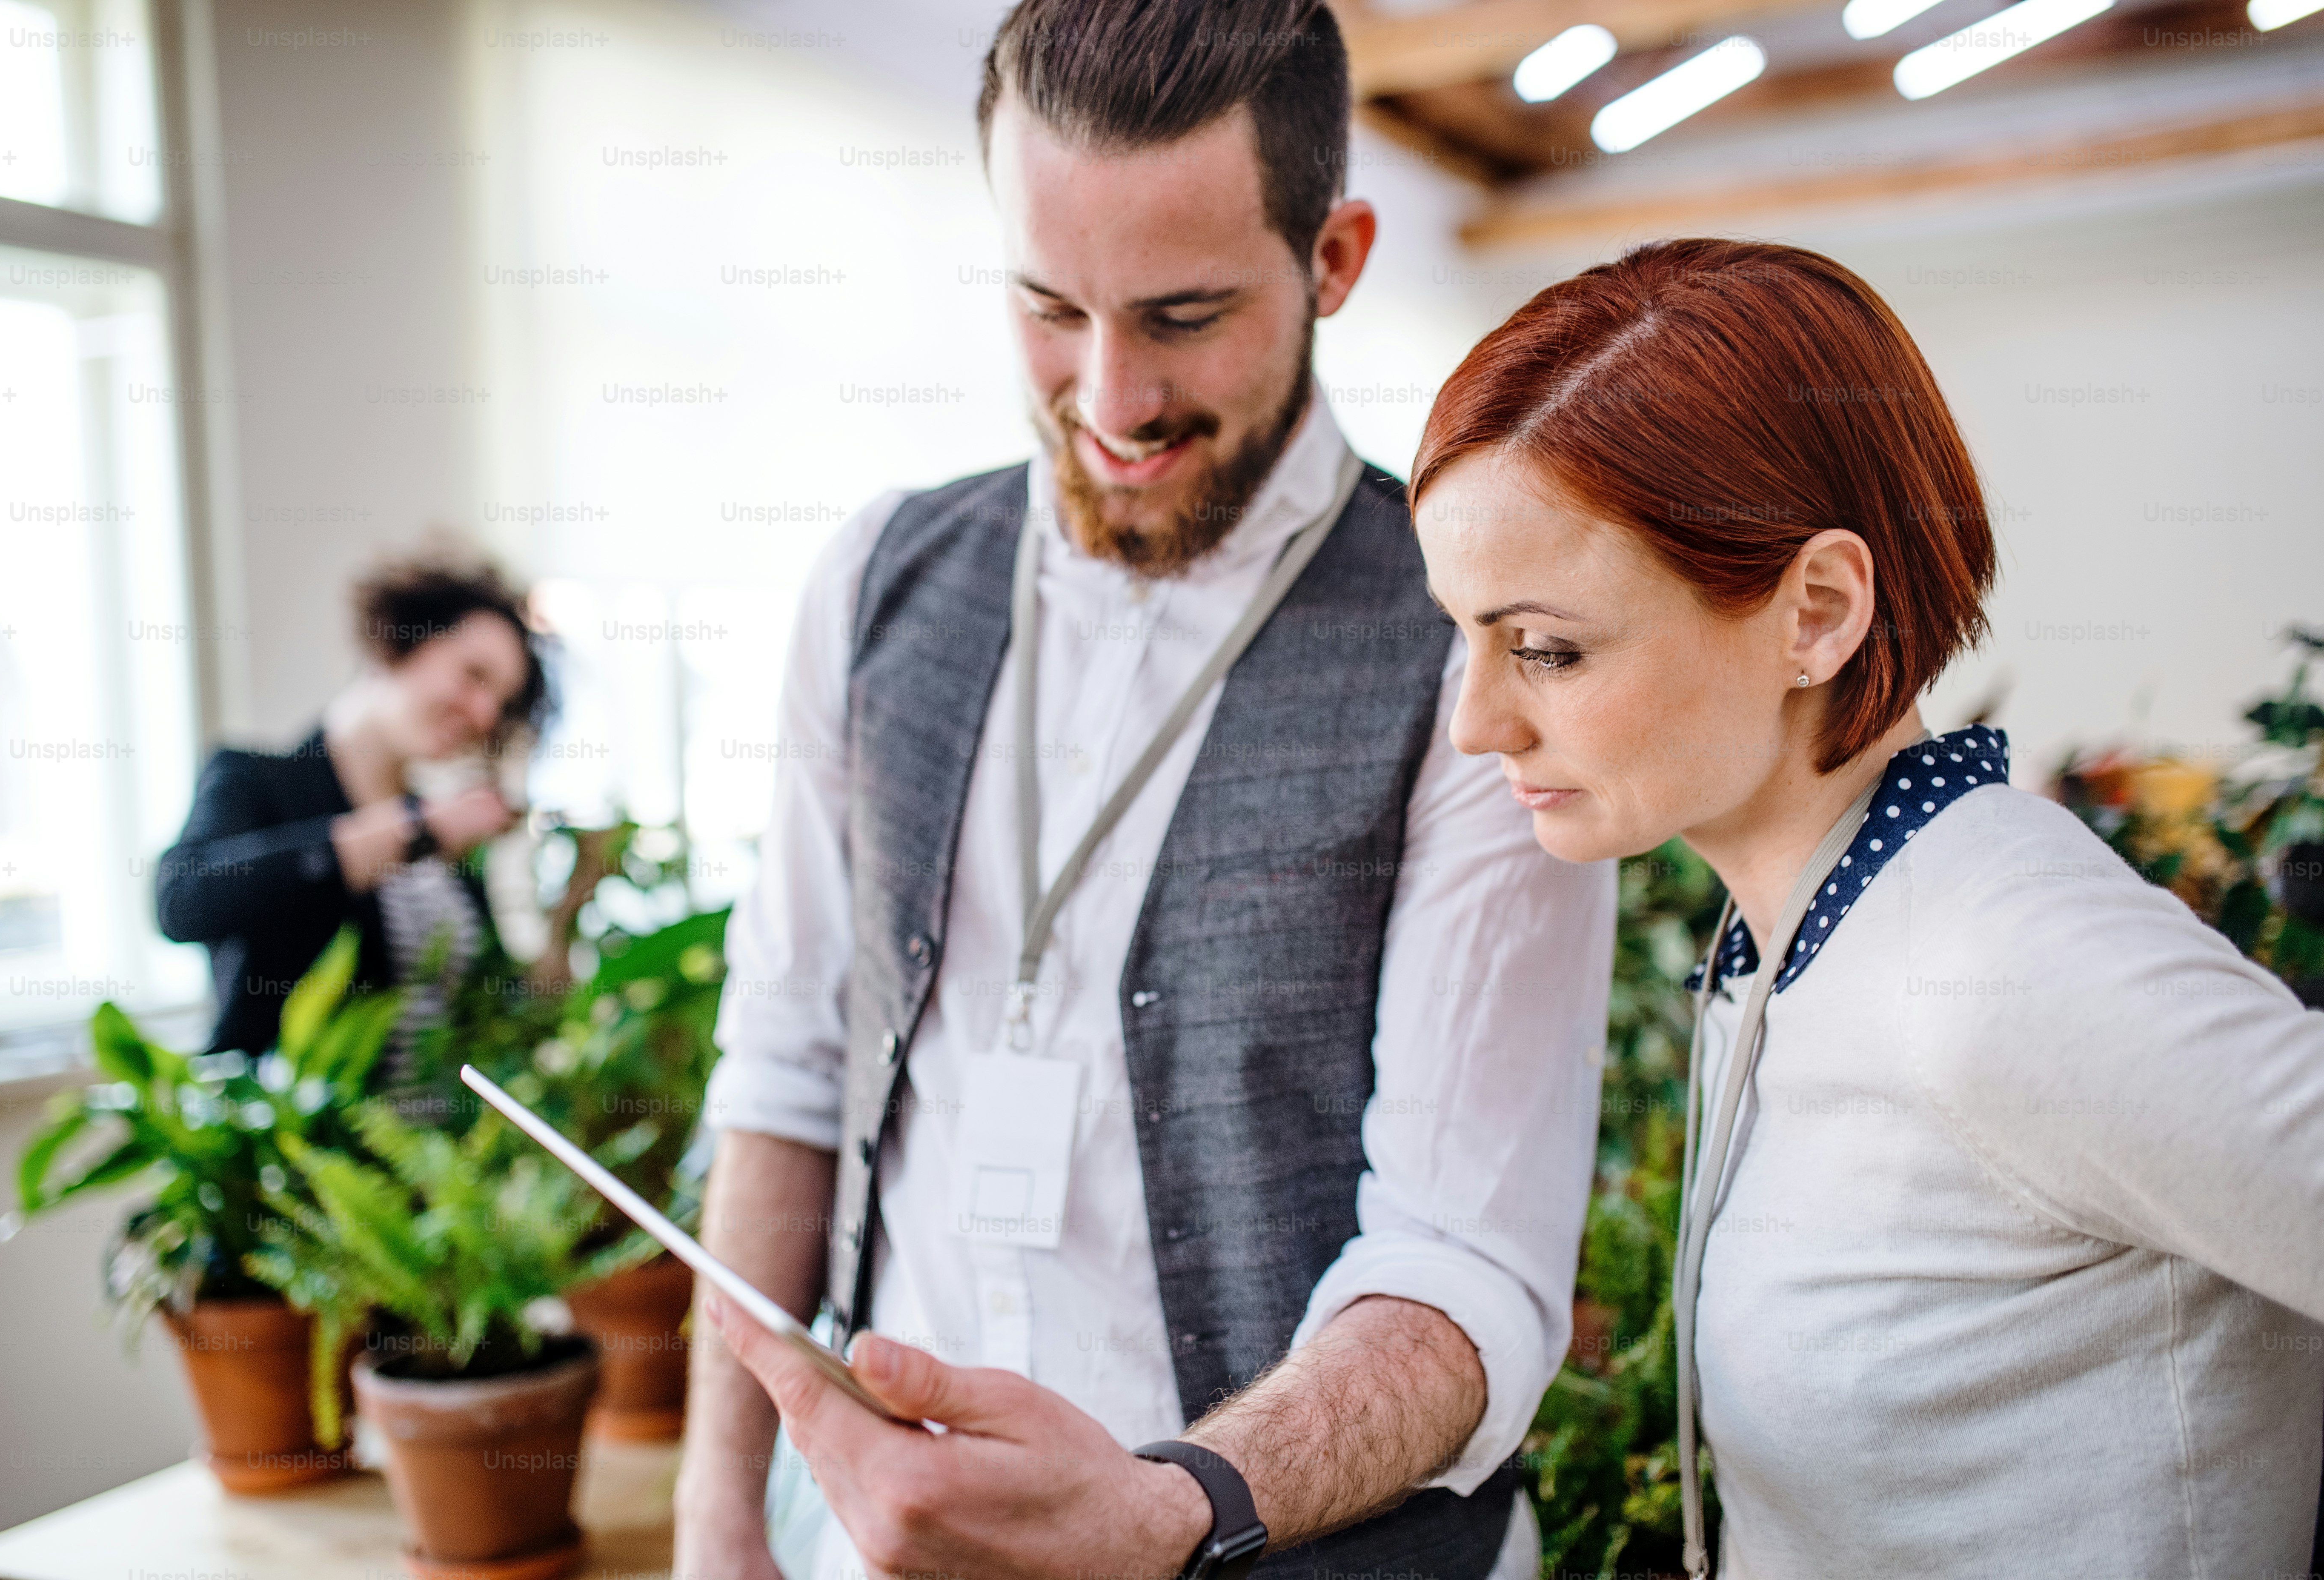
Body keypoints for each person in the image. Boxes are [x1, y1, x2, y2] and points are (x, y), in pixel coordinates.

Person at [677, 3, 1616, 1577]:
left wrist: (1169, 1506)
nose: (1110, 401)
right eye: (1051, 306)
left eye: (1183, 317)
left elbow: (1464, 1268)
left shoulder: (1472, 643)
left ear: (1334, 261)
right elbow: (783, 1076)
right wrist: (718, 1529)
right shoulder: (879, 581)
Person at [1405, 237, 2324, 1576]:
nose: (1474, 723)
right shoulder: (1796, 931)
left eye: (1545, 647)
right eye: (1462, 633)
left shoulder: (2003, 962)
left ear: (1815, 612)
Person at [156, 553, 547, 1056]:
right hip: (298, 1128)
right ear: (400, 639)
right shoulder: (256, 781)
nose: (485, 714)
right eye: (475, 675)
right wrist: (416, 832)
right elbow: (180, 902)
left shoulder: (446, 830)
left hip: (435, 1135)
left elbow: (493, 1011)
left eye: (501, 702)